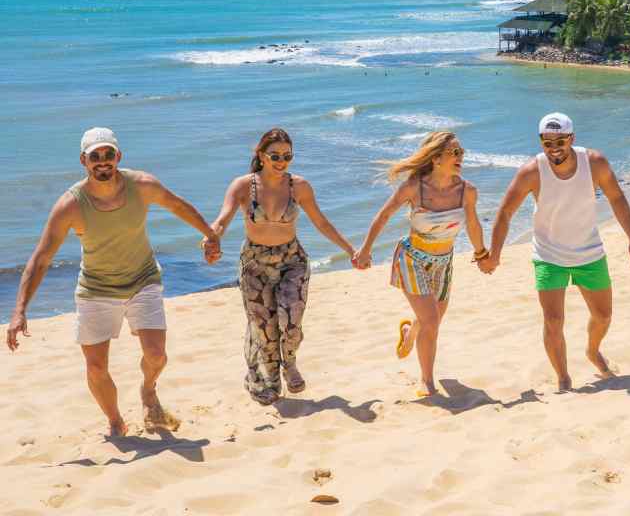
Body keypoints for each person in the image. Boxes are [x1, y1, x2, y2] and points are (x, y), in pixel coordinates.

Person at [6, 127, 221, 437]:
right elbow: (41, 258)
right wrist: (19, 310)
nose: (103, 162)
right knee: (96, 368)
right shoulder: (71, 205)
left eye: (108, 155)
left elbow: (177, 205)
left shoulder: (142, 185)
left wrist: (210, 233)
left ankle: (148, 390)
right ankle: (115, 420)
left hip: (143, 279)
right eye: (95, 156)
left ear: (118, 156)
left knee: (156, 355)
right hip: (95, 290)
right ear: (84, 160)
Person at [484, 113, 630, 392]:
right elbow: (505, 212)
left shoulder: (594, 163)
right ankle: (563, 378)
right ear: (541, 142)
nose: (554, 147)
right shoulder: (531, 172)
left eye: (560, 140)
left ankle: (593, 351)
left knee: (603, 316)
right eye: (547, 142)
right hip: (549, 255)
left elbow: (616, 197)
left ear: (572, 138)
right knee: (553, 321)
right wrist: (495, 253)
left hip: (590, 252)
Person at [205, 128, 355, 405]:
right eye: (275, 155)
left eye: (287, 156)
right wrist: (211, 238)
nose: (281, 160)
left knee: (291, 320)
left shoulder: (299, 186)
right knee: (263, 327)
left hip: (292, 261)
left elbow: (322, 223)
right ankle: (268, 380)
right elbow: (223, 219)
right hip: (255, 263)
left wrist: (351, 250)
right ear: (261, 156)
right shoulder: (242, 186)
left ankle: (291, 362)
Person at [353, 131, 487, 397]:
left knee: (431, 321)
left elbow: (472, 224)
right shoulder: (414, 187)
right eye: (455, 152)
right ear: (436, 158)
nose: (461, 157)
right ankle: (427, 381)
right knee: (432, 320)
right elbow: (384, 215)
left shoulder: (467, 191)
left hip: (443, 263)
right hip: (412, 260)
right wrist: (365, 249)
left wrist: (482, 254)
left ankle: (410, 331)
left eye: (462, 152)